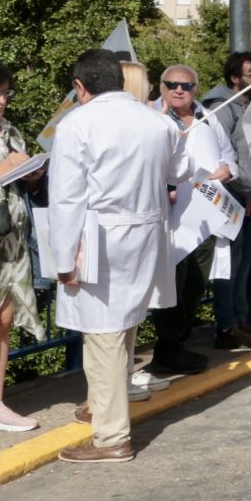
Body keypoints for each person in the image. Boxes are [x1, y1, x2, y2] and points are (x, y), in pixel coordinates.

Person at [49, 49, 182, 463]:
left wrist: (62, 259)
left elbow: (66, 198)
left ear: (80, 86)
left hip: (98, 237)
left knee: (103, 333)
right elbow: (178, 173)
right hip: (146, 232)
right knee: (125, 326)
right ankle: (100, 406)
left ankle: (111, 437)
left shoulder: (77, 124)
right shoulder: (159, 122)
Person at [146, 64, 238, 372]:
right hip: (168, 217)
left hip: (204, 217)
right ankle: (167, 347)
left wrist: (227, 170)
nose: (179, 90)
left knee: (196, 284)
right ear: (161, 86)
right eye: (172, 84)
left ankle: (178, 343)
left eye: (186, 86)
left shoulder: (208, 117)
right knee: (171, 282)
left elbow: (229, 155)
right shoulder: (151, 118)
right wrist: (166, 187)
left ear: (195, 89)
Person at [207, 51, 251, 344]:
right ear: (234, 77)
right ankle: (227, 325)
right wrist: (246, 192)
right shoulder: (222, 107)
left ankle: (242, 319)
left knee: (247, 260)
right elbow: (223, 155)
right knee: (230, 264)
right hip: (232, 198)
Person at [0, 59, 43, 438]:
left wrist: (33, 174)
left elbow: (19, 179)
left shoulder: (11, 132)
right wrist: (2, 168)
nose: (1, 101)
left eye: (5, 93)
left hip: (11, 240)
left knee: (3, 319)